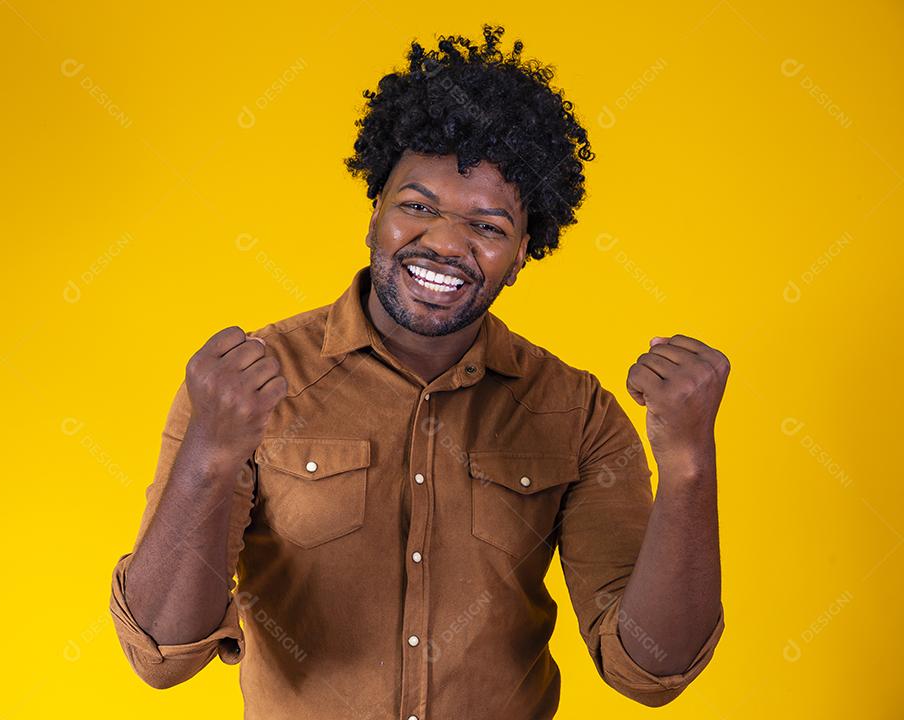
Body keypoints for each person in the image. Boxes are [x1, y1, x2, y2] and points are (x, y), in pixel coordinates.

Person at [109, 24, 728, 720]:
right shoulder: (250, 385)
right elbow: (162, 652)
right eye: (417, 207)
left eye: (488, 227)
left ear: (524, 253)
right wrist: (208, 457)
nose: (445, 242)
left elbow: (650, 670)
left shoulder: (576, 412)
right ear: (374, 213)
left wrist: (688, 466)